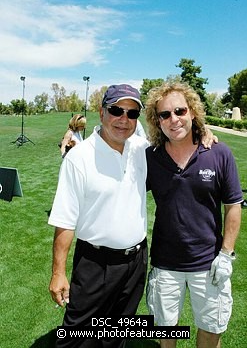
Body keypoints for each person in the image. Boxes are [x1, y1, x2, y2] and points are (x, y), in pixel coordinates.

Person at [48, 84, 149, 348]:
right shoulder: (78, 157)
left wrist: (202, 131)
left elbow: (179, 141)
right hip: (96, 263)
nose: (123, 119)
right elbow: (65, 220)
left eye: (132, 113)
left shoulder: (142, 149)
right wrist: (58, 272)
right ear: (102, 112)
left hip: (137, 261)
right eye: (116, 110)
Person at [145, 82, 243, 348]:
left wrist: (226, 255)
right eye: (164, 114)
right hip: (165, 265)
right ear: (158, 121)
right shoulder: (150, 158)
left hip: (209, 264)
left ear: (192, 112)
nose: (173, 119)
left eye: (179, 110)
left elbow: (233, 205)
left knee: (211, 331)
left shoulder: (218, 153)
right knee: (166, 334)